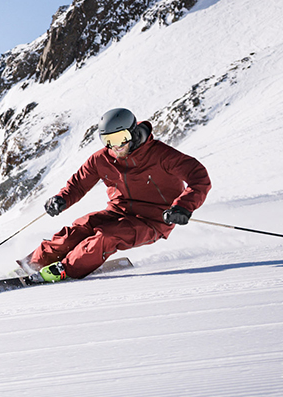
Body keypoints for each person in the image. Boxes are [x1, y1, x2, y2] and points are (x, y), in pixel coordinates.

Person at [19, 107, 211, 281]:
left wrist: (183, 206)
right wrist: (61, 199)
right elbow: (78, 184)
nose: (115, 146)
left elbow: (199, 177)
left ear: (133, 133)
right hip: (118, 212)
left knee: (107, 236)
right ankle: (33, 264)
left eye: (120, 138)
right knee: (80, 228)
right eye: (108, 141)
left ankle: (66, 269)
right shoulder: (102, 159)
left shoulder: (161, 155)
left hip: (154, 219)